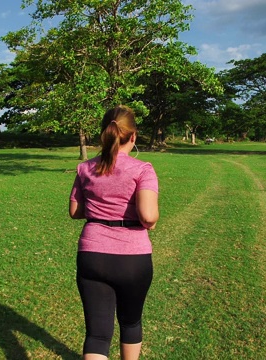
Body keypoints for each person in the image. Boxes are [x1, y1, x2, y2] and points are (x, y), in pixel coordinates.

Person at [69, 105, 159, 360]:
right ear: (133, 136)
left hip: (92, 254)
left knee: (97, 334)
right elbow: (148, 216)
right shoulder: (143, 169)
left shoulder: (85, 168)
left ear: (104, 133)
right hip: (132, 258)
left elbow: (75, 211)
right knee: (130, 323)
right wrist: (148, 222)